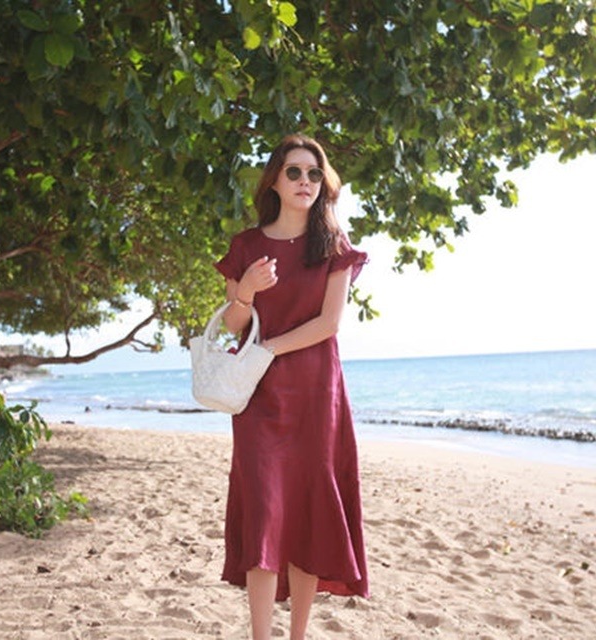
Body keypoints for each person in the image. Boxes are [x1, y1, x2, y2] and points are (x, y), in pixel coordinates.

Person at [214, 134, 369, 640]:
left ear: (324, 184)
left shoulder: (334, 245)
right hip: (258, 399)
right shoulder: (246, 246)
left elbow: (329, 324)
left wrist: (269, 350)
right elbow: (234, 324)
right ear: (275, 182)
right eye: (294, 172)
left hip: (316, 396)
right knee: (264, 512)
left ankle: (297, 635)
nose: (305, 181)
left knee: (307, 514)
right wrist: (247, 290)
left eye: (314, 173)